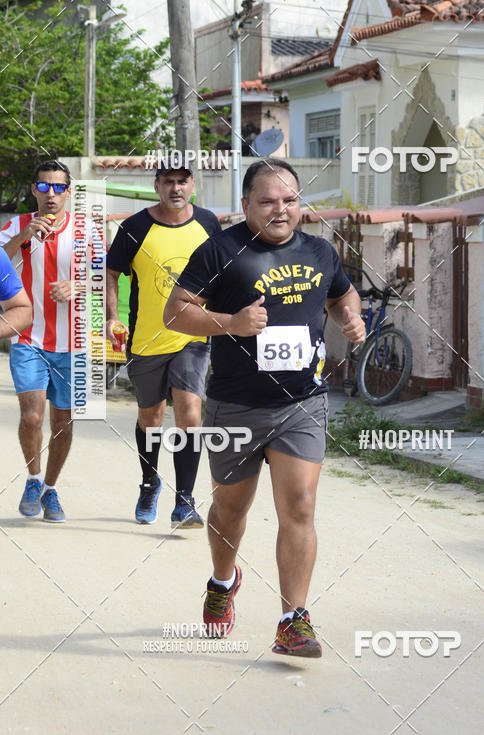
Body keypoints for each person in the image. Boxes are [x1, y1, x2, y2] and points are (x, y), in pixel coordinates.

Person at [164, 159, 366, 657]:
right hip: (236, 405)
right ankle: (222, 581)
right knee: (231, 509)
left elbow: (343, 296)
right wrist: (231, 323)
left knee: (299, 505)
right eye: (268, 201)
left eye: (290, 200)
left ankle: (293, 621)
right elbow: (176, 313)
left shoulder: (320, 250)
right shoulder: (220, 250)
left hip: (302, 403)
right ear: (246, 204)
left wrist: (351, 319)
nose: (281, 209)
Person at [106, 156, 221, 528]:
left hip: (193, 336)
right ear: (156, 186)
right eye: (168, 181)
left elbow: (223, 273)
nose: (176, 188)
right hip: (146, 339)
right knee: (150, 418)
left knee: (190, 412)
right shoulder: (134, 227)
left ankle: (185, 501)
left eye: (182, 181)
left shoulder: (208, 224)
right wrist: (112, 317)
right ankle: (149, 481)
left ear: (192, 185)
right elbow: (111, 272)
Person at [0, 159, 79, 522]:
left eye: (58, 187)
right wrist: (22, 237)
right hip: (27, 337)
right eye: (44, 186)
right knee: (32, 416)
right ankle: (33, 479)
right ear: (34, 190)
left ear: (68, 192)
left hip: (72, 342)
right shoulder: (14, 226)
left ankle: (50, 488)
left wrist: (77, 286)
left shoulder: (86, 231)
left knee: (63, 423)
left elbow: (104, 278)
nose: (51, 194)